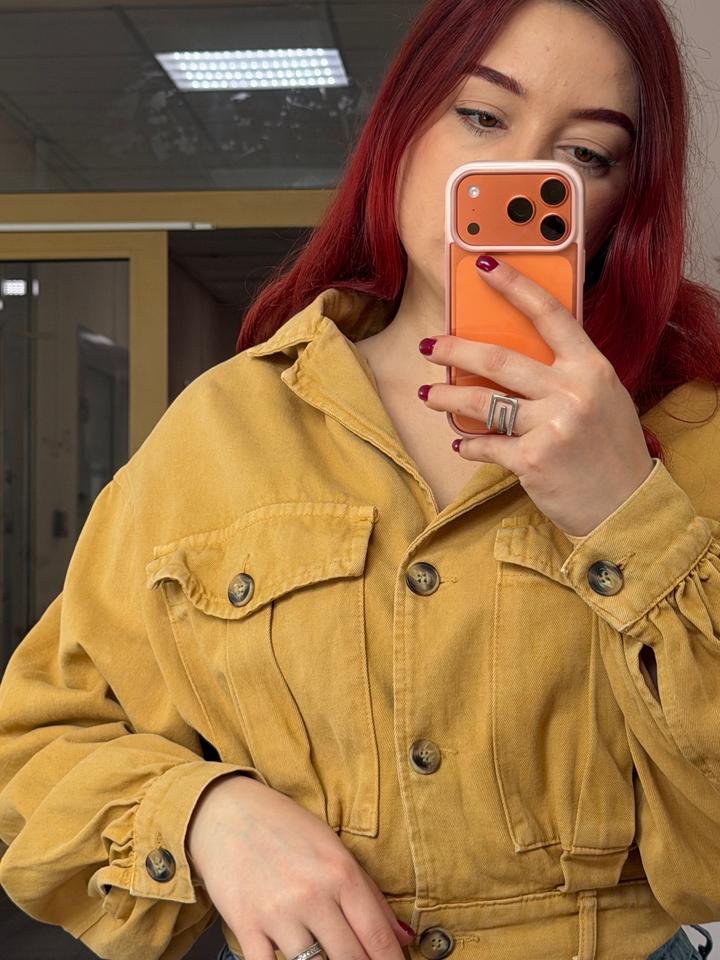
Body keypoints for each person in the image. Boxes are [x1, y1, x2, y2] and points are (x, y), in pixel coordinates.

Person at [0, 0, 719, 959]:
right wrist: (204, 813)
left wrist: (627, 514)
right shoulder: (223, 427)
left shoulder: (695, 430)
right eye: (481, 115)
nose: (514, 176)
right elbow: (37, 745)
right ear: (403, 125)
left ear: (625, 197)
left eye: (585, 154)